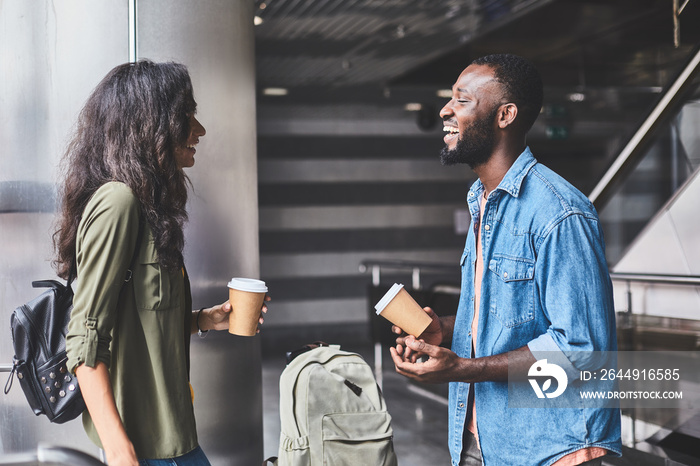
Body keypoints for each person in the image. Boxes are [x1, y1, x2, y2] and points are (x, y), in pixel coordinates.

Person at [390, 54, 621, 465]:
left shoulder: (559, 212)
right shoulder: (482, 202)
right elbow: (502, 318)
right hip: (481, 441)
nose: (445, 109)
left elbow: (581, 349)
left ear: (505, 115)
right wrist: (440, 330)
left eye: (461, 100)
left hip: (550, 450)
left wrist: (462, 368)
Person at [54, 60, 268, 466]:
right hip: (147, 451)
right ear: (150, 125)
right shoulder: (119, 203)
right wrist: (120, 452)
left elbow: (136, 318)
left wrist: (205, 319)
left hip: (175, 439)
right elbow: (84, 338)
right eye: (187, 116)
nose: (199, 131)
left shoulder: (147, 206)